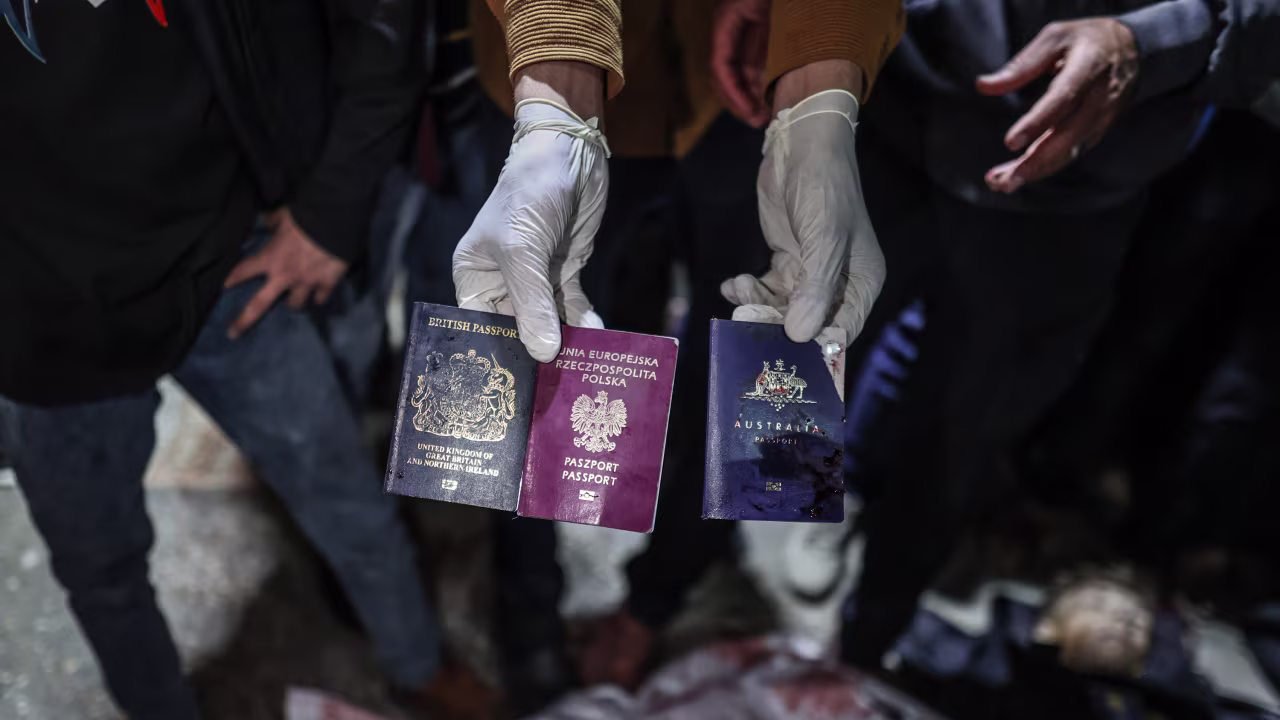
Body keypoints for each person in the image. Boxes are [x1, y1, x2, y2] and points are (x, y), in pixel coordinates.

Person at [714, 0, 1280, 670]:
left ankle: (861, 648)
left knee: (964, 435)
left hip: (1068, 176)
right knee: (779, 363)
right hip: (887, 92)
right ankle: (738, 572)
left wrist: (1149, 39)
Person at [0, 1, 491, 718]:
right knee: (101, 570)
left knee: (346, 495)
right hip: (40, 326)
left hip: (230, 270)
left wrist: (327, 211)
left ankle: (418, 665)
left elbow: (381, 22)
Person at [454, 0, 905, 705]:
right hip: (550, 65)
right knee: (533, 336)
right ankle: (529, 609)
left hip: (753, 79)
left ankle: (658, 596)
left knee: (759, 353)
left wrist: (819, 87)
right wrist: (556, 91)